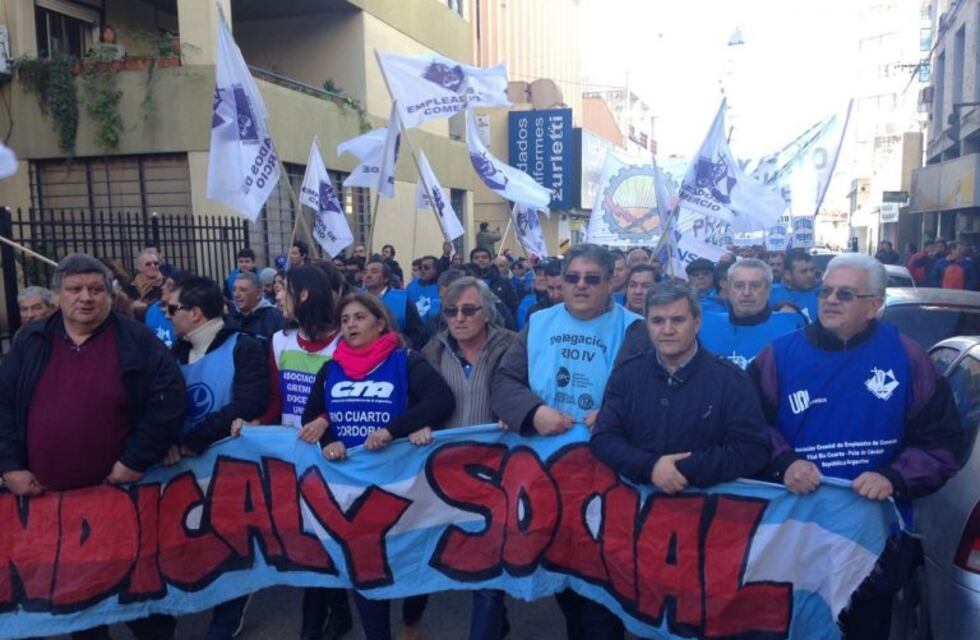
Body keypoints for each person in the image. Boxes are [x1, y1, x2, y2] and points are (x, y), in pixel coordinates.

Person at [749, 253, 963, 639]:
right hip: (794, 539)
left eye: (845, 294)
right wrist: (784, 462)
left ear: (874, 306)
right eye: (826, 291)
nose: (830, 300)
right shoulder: (777, 357)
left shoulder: (907, 357)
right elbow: (747, 429)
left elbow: (942, 443)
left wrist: (893, 476)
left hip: (871, 544)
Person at [0, 254, 184, 640]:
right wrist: (10, 465)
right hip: (54, 505)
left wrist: (135, 459)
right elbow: (4, 405)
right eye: (75, 289)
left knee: (142, 600)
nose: (85, 297)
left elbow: (168, 399)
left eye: (95, 289)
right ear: (58, 295)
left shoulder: (136, 340)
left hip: (122, 498)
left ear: (108, 293)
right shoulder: (30, 341)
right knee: (78, 603)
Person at [491, 243, 642, 640]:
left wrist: (615, 413)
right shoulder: (539, 323)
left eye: (593, 279)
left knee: (602, 582)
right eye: (573, 277)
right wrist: (532, 412)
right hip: (547, 472)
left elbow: (651, 391)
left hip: (607, 476)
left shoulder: (635, 328)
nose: (581, 286)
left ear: (612, 282)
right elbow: (505, 380)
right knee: (564, 574)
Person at [303, 293, 455, 640]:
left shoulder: (406, 361)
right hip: (350, 487)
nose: (350, 325)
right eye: (345, 320)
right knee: (366, 568)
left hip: (401, 484)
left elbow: (441, 399)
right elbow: (311, 416)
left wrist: (393, 431)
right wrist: (329, 439)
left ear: (380, 322)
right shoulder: (330, 368)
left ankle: (412, 618)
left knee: (408, 565)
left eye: (359, 317)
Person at [235, 265, 351, 640]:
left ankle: (313, 628)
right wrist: (254, 424)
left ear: (303, 296)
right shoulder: (279, 341)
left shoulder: (344, 343)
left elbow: (353, 397)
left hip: (333, 457)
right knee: (306, 540)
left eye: (283, 290)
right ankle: (336, 614)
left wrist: (324, 418)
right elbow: (275, 398)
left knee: (325, 540)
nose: (277, 297)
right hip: (291, 457)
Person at [591, 282, 771, 494]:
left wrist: (681, 470)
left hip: (707, 512)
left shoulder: (731, 380)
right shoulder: (627, 375)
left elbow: (753, 449)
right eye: (658, 321)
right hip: (634, 511)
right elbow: (604, 438)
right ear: (646, 324)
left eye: (678, 320)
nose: (667, 330)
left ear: (697, 323)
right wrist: (650, 467)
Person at [165, 276, 268, 640]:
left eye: (172, 309)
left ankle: (228, 615)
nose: (167, 315)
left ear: (195, 313)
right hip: (181, 468)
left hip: (230, 467)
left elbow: (250, 401)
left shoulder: (245, 347)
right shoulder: (175, 353)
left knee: (232, 543)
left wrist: (196, 439)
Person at [421, 276, 516, 639]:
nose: (459, 318)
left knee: (488, 568)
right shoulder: (433, 349)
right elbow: (421, 399)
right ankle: (498, 621)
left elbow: (526, 388)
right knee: (458, 556)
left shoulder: (514, 346)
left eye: (469, 310)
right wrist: (420, 423)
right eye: (451, 311)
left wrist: (515, 409)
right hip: (448, 473)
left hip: (500, 470)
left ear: (487, 312)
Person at [699, 258, 805, 369]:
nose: (746, 293)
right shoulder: (705, 326)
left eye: (755, 286)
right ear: (729, 289)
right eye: (739, 286)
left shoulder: (792, 327)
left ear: (769, 289)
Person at [363, 255, 424, 346]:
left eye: (374, 272)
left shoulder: (402, 300)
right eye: (365, 272)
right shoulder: (356, 299)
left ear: (386, 278)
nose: (368, 275)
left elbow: (417, 333)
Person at [231, 271, 284, 340]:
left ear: (259, 293)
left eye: (243, 290)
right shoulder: (231, 317)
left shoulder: (274, 318)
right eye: (234, 290)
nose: (236, 294)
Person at [770, 249, 819, 321]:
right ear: (788, 275)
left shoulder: (824, 293)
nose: (810, 275)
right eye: (803, 271)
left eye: (812, 270)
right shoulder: (771, 293)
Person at [145, 270, 190, 349]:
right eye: (164, 283)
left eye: (169, 285)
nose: (163, 287)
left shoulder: (186, 313)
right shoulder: (153, 309)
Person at [470, 247, 518, 314]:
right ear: (471, 261)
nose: (480, 260)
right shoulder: (466, 282)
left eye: (484, 257)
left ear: (491, 261)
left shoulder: (504, 282)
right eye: (476, 258)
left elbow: (513, 306)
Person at [124, 247, 164, 316]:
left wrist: (146, 306)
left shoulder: (165, 284)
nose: (153, 266)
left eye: (156, 263)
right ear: (139, 267)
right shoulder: (129, 285)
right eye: (148, 264)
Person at [406, 255, 442, 323]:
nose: (422, 270)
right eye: (420, 267)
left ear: (436, 270)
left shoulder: (440, 287)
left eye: (426, 267)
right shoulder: (411, 286)